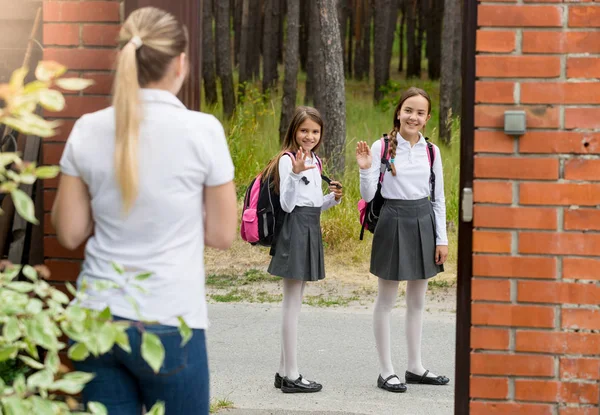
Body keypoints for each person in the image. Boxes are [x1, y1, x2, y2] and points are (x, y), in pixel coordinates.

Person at [51, 7, 237, 414]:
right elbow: (224, 235)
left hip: (97, 318)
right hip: (169, 318)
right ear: (181, 63)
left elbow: (68, 232)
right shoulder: (203, 131)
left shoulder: (87, 128)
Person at [356, 87, 450, 393]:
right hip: (392, 220)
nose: (413, 116)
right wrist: (365, 169)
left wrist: (442, 239)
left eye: (420, 112)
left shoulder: (431, 152)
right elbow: (369, 196)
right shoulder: (382, 146)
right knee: (386, 301)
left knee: (417, 301)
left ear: (427, 118)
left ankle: (415, 367)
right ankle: (386, 371)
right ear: (399, 112)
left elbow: (438, 199)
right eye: (408, 110)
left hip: (423, 220)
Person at [264, 106, 343, 393]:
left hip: (309, 226)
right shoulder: (289, 160)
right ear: (294, 131)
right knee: (291, 304)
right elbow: (287, 204)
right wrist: (295, 174)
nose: (309, 136)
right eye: (304, 130)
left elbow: (312, 205)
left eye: (315, 131)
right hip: (294, 230)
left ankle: (284, 371)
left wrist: (332, 199)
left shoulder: (315, 160)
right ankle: (292, 376)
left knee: (295, 302)